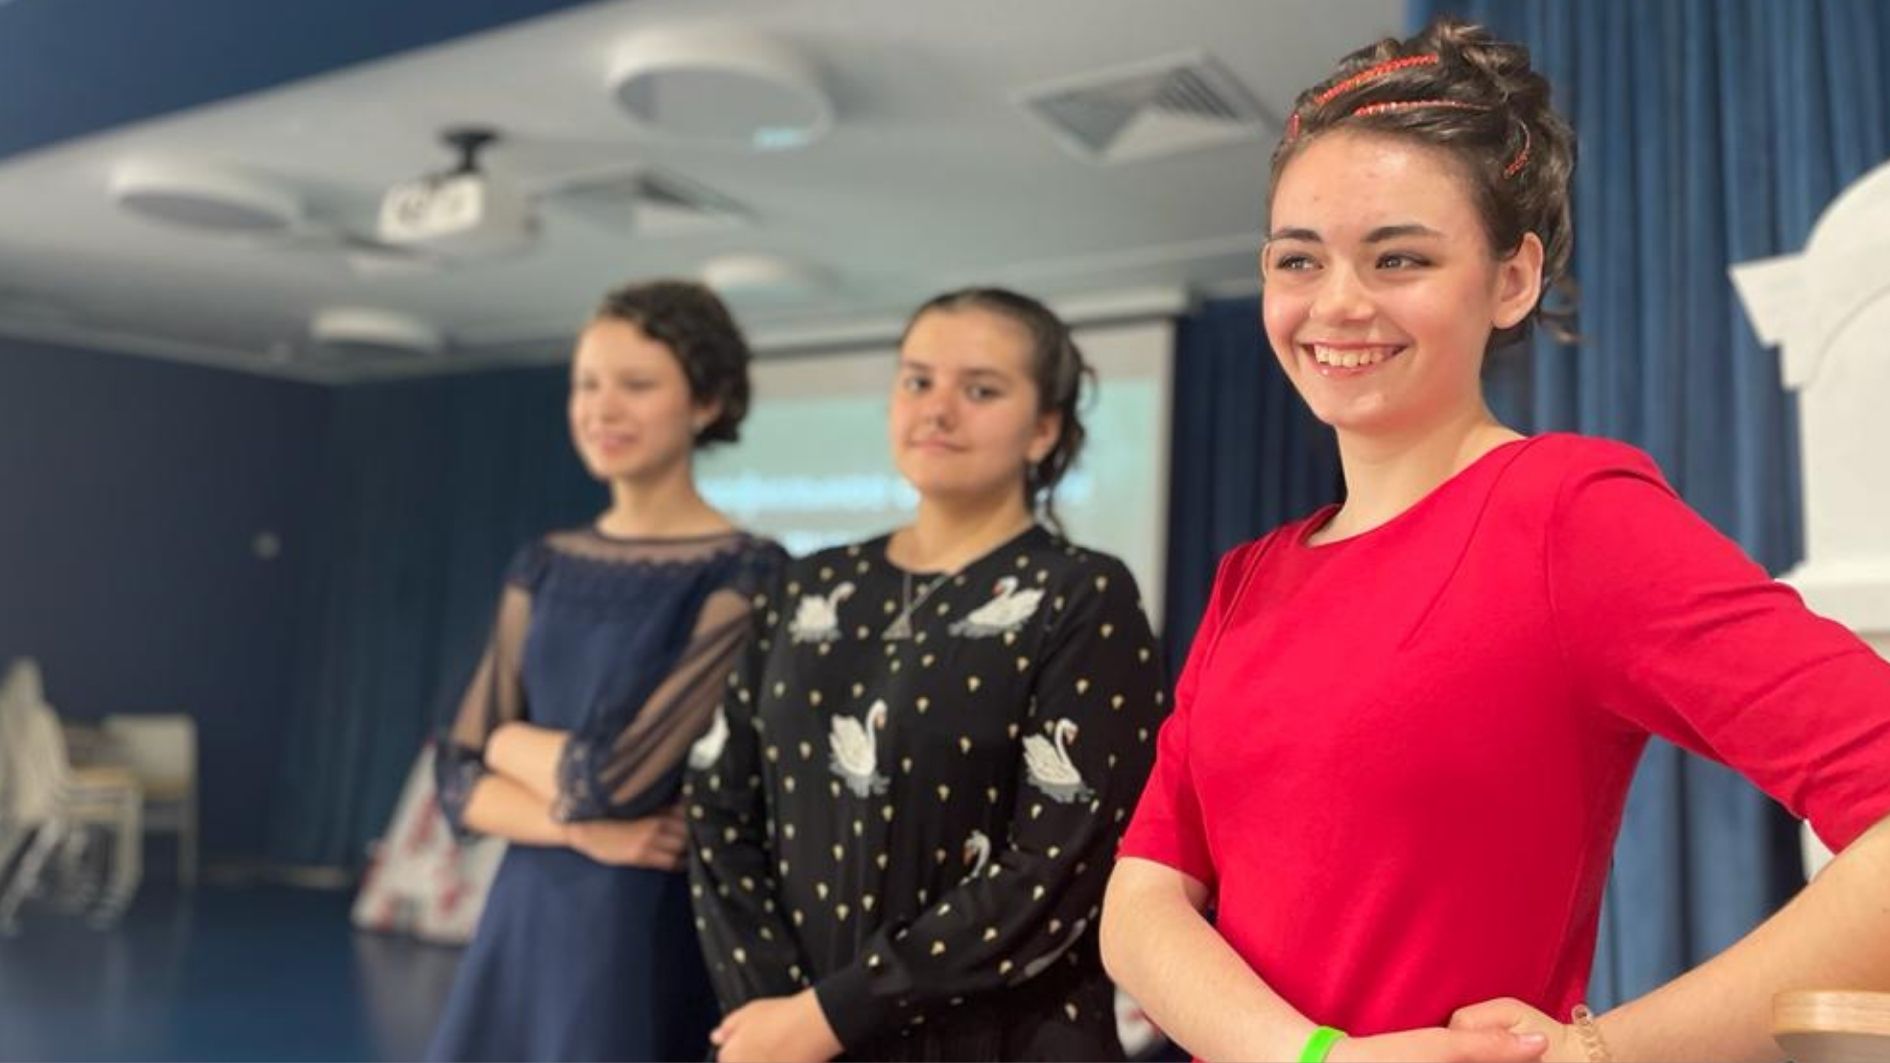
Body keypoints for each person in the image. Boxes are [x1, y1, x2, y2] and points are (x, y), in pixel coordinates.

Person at [1101, 17, 1890, 1063]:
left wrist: (1600, 1053)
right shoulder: (1252, 577)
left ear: (1512, 278)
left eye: (1399, 257)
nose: (1338, 302)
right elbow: (1144, 899)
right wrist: (1314, 1056)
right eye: (1300, 259)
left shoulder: (1566, 512)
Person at [685, 287, 1168, 1061]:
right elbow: (718, 801)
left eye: (980, 390)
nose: (937, 409)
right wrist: (775, 1009)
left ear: (1044, 428)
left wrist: (832, 1015)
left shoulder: (1082, 593)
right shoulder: (807, 584)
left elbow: (1059, 865)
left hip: (997, 1038)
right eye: (917, 381)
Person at [427, 280, 786, 1062]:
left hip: (637, 927)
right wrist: (581, 829)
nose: (602, 408)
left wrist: (507, 743)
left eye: (637, 384)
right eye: (587, 384)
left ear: (707, 401)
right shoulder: (544, 562)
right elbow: (454, 773)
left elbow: (616, 779)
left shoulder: (747, 572)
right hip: (524, 917)